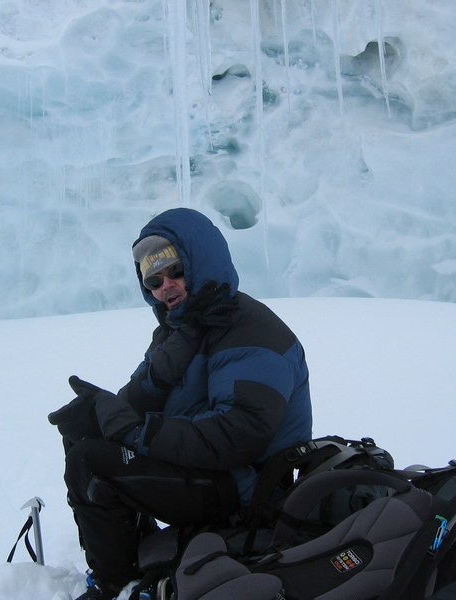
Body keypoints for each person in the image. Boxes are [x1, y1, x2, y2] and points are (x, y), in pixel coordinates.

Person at [48, 208, 312, 599]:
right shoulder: (185, 328)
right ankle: (132, 554)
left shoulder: (252, 331)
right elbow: (136, 401)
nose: (165, 287)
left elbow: (241, 434)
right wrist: (105, 409)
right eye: (153, 280)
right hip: (209, 469)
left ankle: (118, 585)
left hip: (247, 489)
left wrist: (140, 434)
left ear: (200, 262)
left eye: (174, 271)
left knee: (93, 462)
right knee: (87, 435)